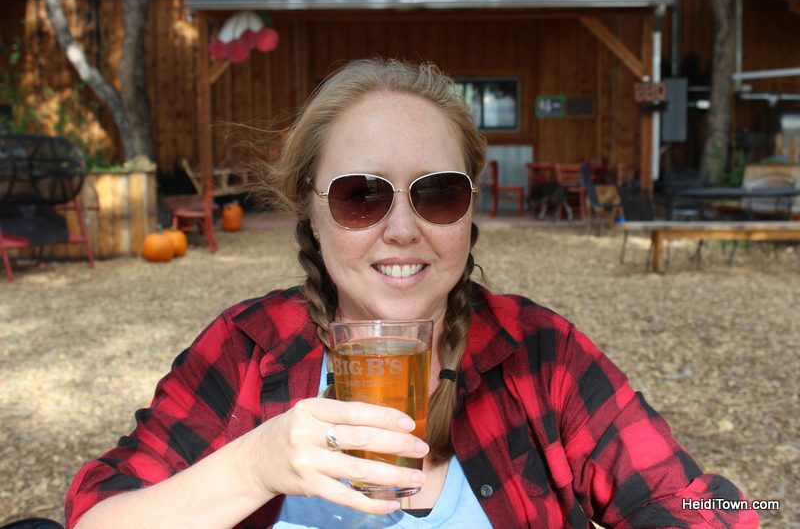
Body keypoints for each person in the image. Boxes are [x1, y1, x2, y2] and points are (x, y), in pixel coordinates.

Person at [65, 58, 758, 528]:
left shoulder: (540, 357)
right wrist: (258, 463)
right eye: (362, 196)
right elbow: (98, 516)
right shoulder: (248, 350)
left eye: (437, 194)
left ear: (469, 208)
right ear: (309, 208)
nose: (403, 230)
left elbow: (703, 507)